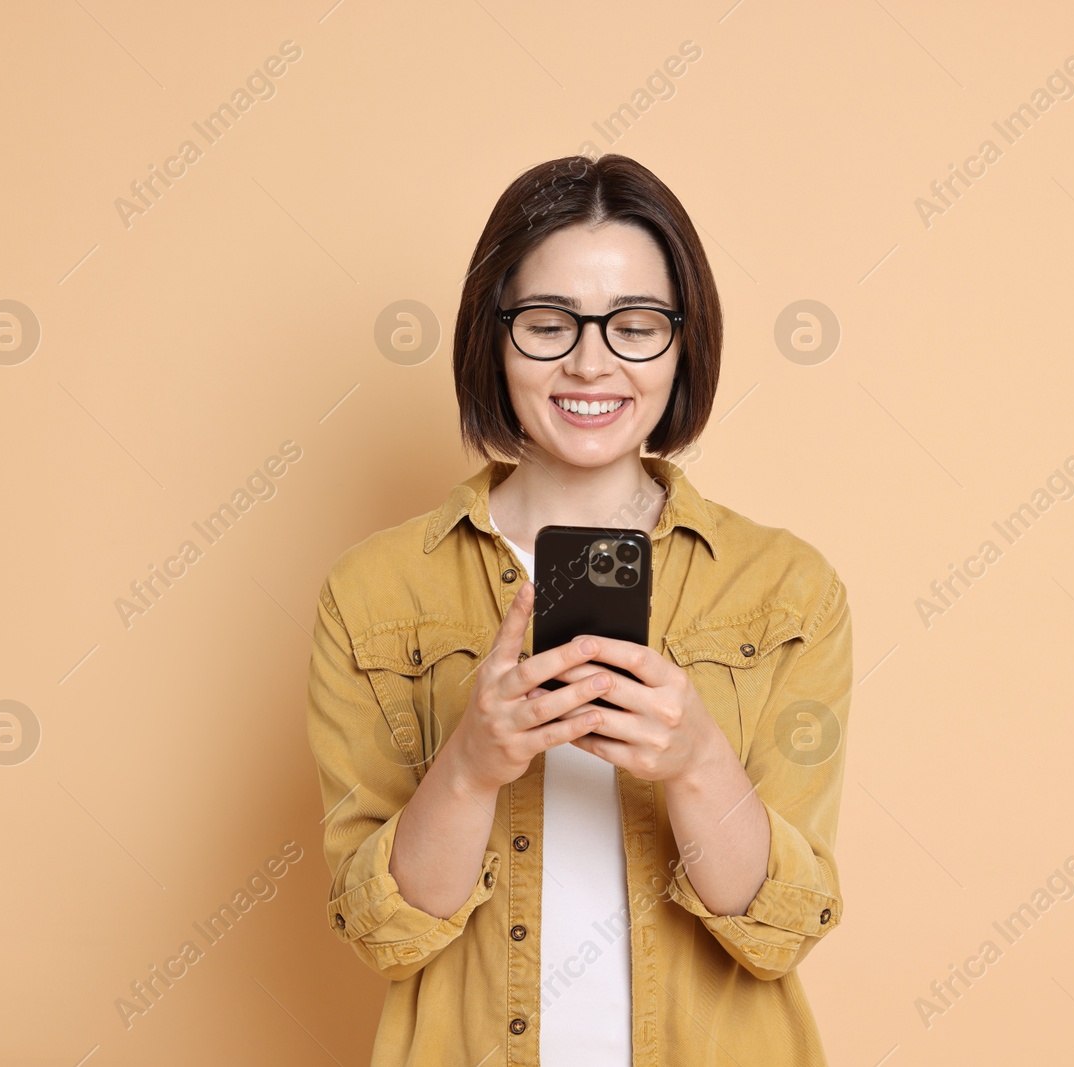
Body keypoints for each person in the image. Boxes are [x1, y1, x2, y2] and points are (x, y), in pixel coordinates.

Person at [307, 153, 853, 1066]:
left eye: (635, 325)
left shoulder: (786, 588)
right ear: (494, 336)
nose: (591, 362)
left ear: (683, 344)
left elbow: (778, 930)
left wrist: (693, 759)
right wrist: (473, 763)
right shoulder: (371, 592)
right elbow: (386, 935)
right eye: (549, 323)